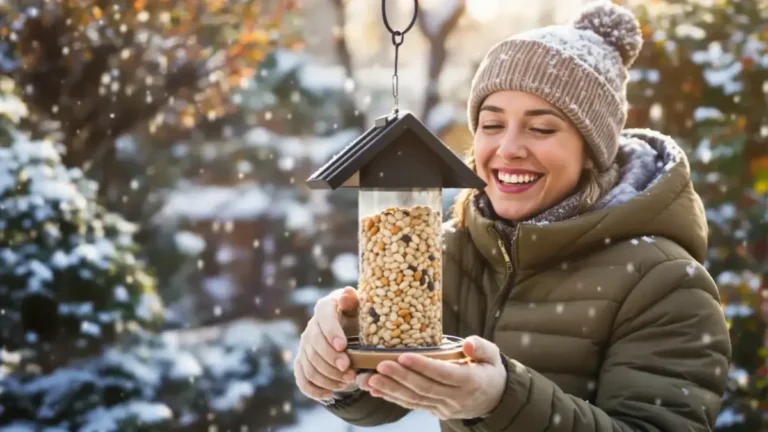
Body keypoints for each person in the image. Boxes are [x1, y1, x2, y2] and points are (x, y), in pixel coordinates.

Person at [294, 1, 732, 430]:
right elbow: (390, 392)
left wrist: (502, 401)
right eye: (491, 124)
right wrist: (344, 360)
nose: (508, 149)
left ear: (591, 152)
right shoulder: (457, 250)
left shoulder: (668, 283)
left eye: (541, 128)